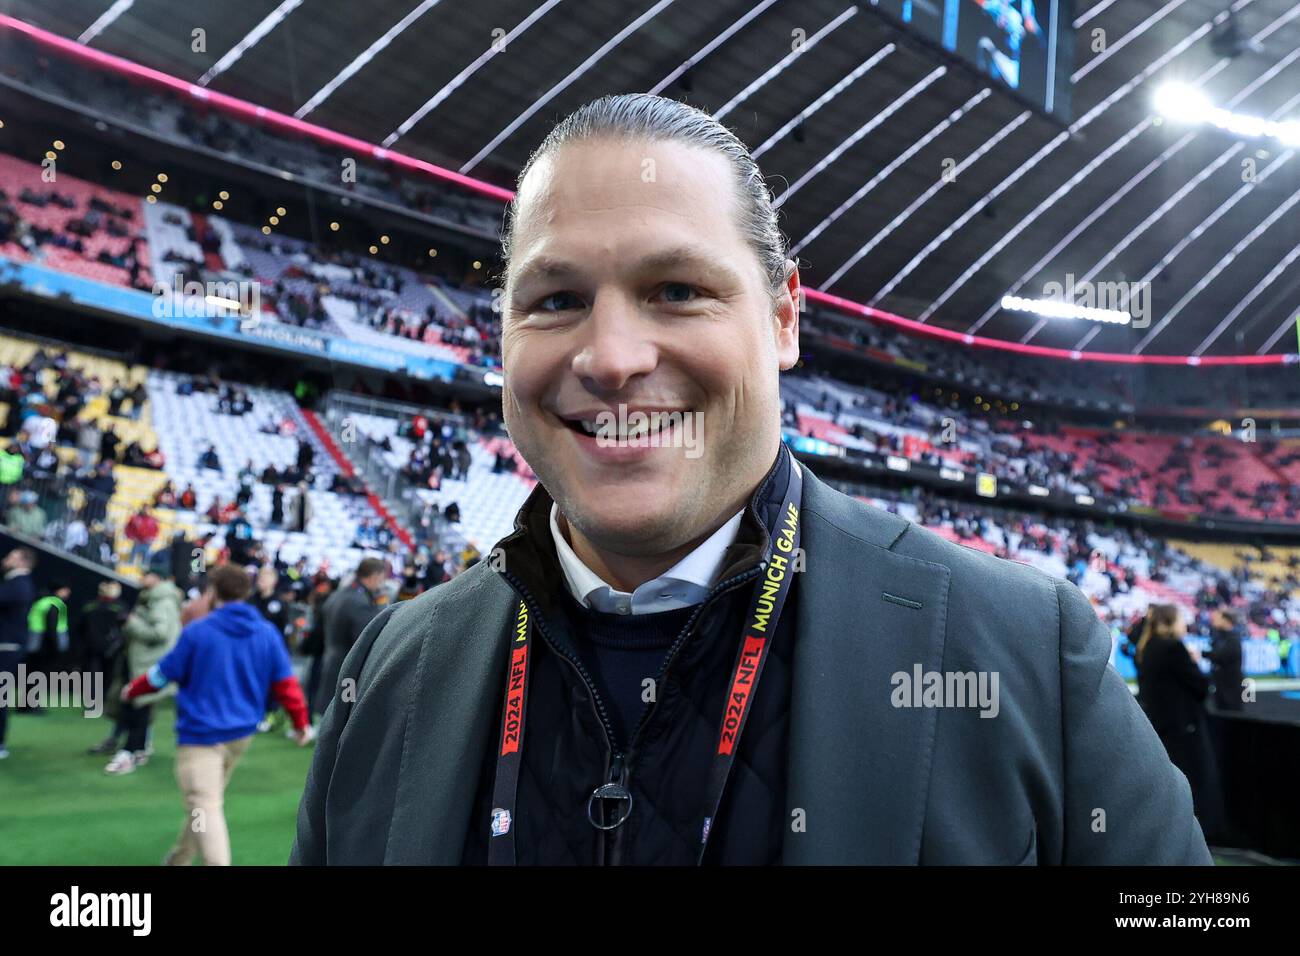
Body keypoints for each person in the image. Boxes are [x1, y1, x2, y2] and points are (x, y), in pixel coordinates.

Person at [291, 94, 1209, 866]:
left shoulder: (1026, 654)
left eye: (677, 290)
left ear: (782, 319)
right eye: (557, 300)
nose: (610, 358)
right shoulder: (391, 668)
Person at [121, 564, 311, 865]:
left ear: (213, 591)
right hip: (240, 735)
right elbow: (287, 685)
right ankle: (180, 858)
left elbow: (161, 674)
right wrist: (301, 723)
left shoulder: (198, 632)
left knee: (204, 804)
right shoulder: (267, 633)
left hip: (201, 736)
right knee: (204, 804)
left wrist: (132, 690)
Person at [1135, 604, 1224, 842]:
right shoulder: (1173, 648)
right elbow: (1201, 687)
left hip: (1160, 725)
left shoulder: (1147, 646)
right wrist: (1194, 662)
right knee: (1193, 783)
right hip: (1183, 728)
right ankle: (1195, 836)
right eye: (1181, 619)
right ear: (1172, 622)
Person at [104, 563, 183, 774]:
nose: (142, 577)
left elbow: (160, 633)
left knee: (137, 706)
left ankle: (130, 751)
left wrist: (131, 623)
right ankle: (136, 749)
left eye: (147, 574)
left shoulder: (162, 600)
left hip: (147, 662)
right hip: (143, 661)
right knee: (138, 707)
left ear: (157, 577)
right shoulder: (155, 597)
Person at [314, 558, 387, 721]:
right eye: (381, 578)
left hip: (330, 658)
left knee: (331, 708)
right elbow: (366, 638)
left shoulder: (337, 595)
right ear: (374, 576)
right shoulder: (359, 602)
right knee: (345, 713)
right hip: (349, 668)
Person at [0, 547, 36, 758]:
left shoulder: (18, 584)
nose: (6, 559)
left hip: (7, 647)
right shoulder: (16, 584)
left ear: (23, 562)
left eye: (11, 556)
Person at [1206, 608, 1244, 712]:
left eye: (1217, 617)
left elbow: (1222, 656)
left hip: (1231, 686)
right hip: (1220, 684)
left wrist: (1202, 654)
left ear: (1225, 620)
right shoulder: (1218, 636)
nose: (1213, 619)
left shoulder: (1233, 637)